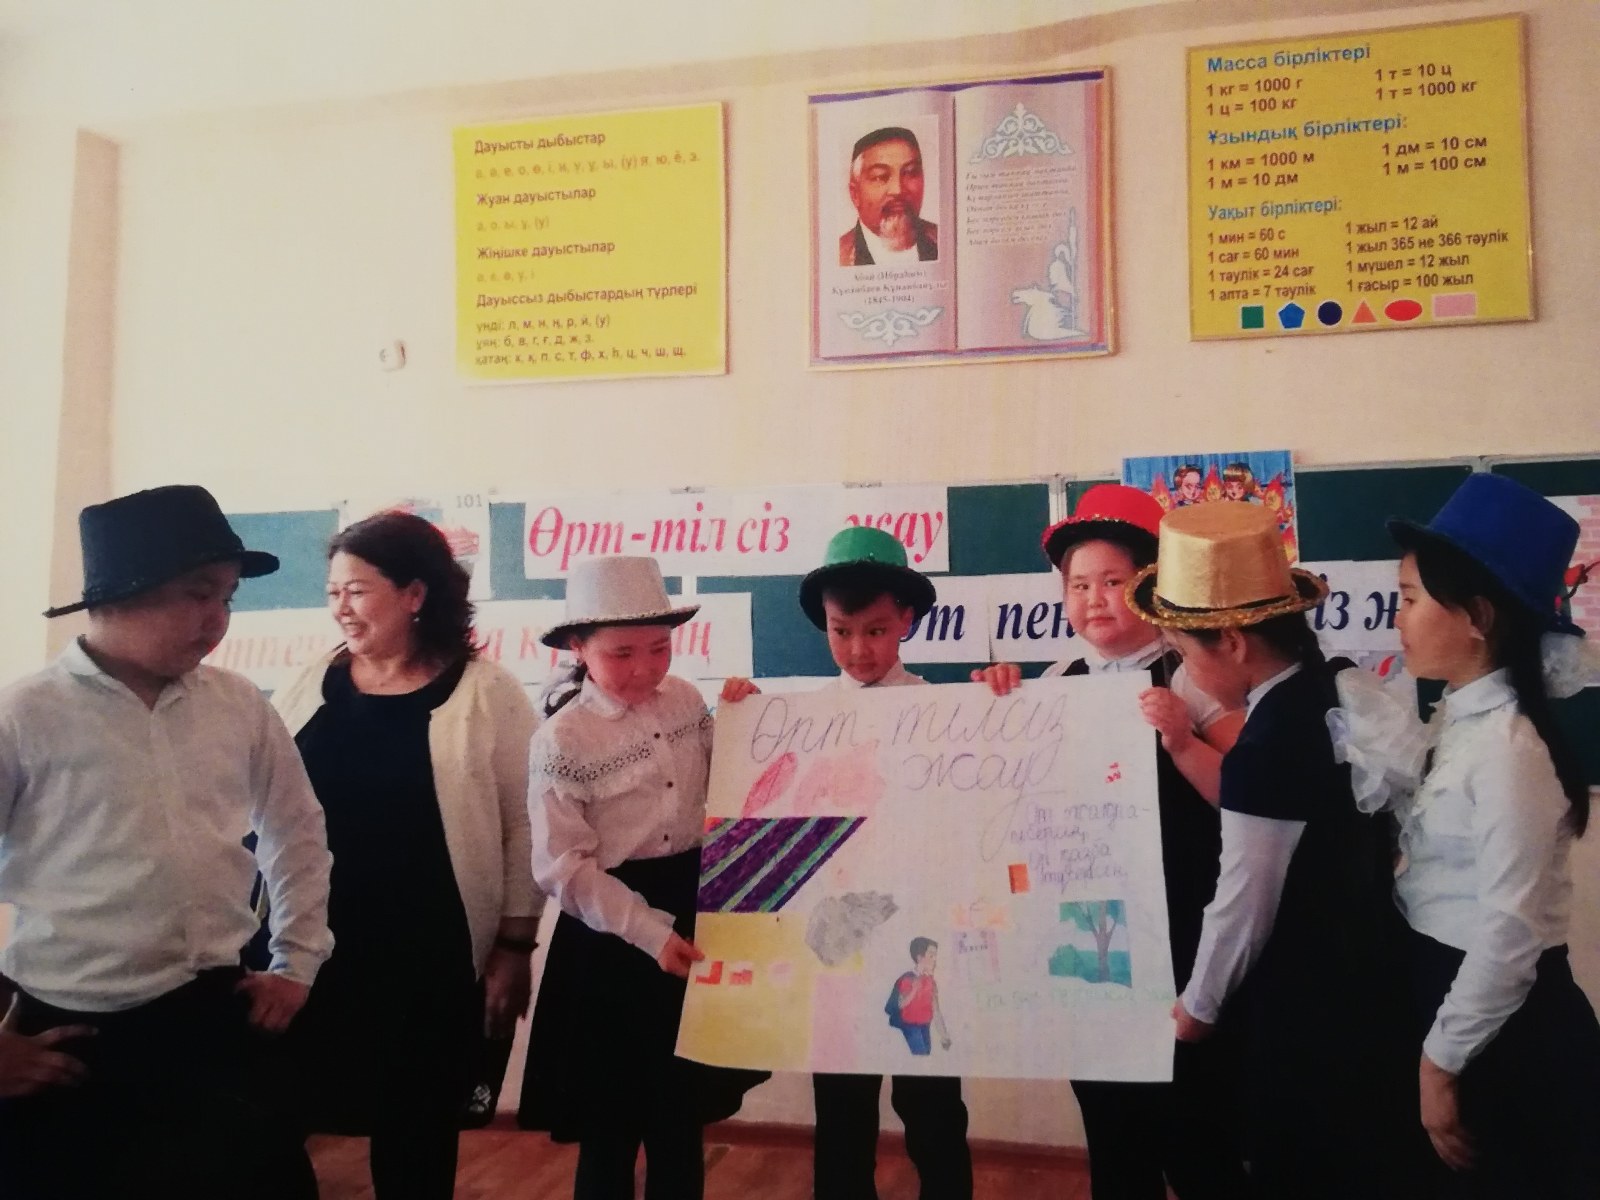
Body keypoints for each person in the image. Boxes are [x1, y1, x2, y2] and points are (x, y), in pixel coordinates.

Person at [0, 484, 333, 1200]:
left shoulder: (237, 705)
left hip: (213, 1015)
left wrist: (298, 960)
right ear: (121, 593)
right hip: (72, 1038)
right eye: (198, 593)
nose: (217, 619)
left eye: (228, 598)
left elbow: (297, 829)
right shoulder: (24, 715)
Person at [1133, 502, 1421, 1200]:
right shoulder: (1330, 688)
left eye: (1186, 654)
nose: (1186, 671)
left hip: (1308, 1007)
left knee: (1300, 1163)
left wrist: (1198, 1009)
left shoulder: (1267, 745)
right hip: (1369, 976)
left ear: (1232, 642)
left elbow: (1244, 900)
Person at [973, 484, 1249, 1200]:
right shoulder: (1056, 683)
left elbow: (1248, 801)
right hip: (1089, 947)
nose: (1094, 600)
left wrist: (1184, 736)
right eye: (1078, 585)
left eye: (1113, 582)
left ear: (1153, 585)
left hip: (1183, 938)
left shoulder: (1195, 675)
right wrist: (996, 703)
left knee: (1198, 1134)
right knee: (1112, 1133)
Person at [272, 511, 542, 1198]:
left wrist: (514, 947)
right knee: (276, 1120)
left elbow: (523, 825)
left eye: (358, 590)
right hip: (308, 951)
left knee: (416, 1137)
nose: (341, 608)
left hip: (427, 960)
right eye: (333, 592)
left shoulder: (487, 692)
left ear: (415, 594)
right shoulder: (311, 679)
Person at [723, 525, 973, 1200]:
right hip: (835, 941)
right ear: (824, 627)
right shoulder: (800, 721)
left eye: (876, 630)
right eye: (842, 631)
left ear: (907, 621)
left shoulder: (947, 712)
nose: (859, 649)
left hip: (920, 933)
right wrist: (743, 723)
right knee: (841, 1107)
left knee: (932, 1106)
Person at [1385, 474, 1600, 1197]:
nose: (1398, 619)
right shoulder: (1461, 718)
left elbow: (1509, 934)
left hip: (1502, 1026)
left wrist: (1438, 1066)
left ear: (1476, 615)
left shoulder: (1509, 749)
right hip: (1456, 998)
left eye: (1411, 599)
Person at [521, 556, 761, 1200]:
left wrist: (746, 721)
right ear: (578, 646)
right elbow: (563, 868)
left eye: (659, 648)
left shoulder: (684, 700)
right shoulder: (562, 740)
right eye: (621, 653)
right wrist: (650, 933)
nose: (644, 668)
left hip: (695, 909)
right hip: (611, 935)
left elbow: (726, 782)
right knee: (611, 1125)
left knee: (680, 1117)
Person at [838, 126, 938, 266]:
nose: (898, 190)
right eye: (880, 176)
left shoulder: (942, 239)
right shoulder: (839, 257)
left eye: (910, 172)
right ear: (855, 194)